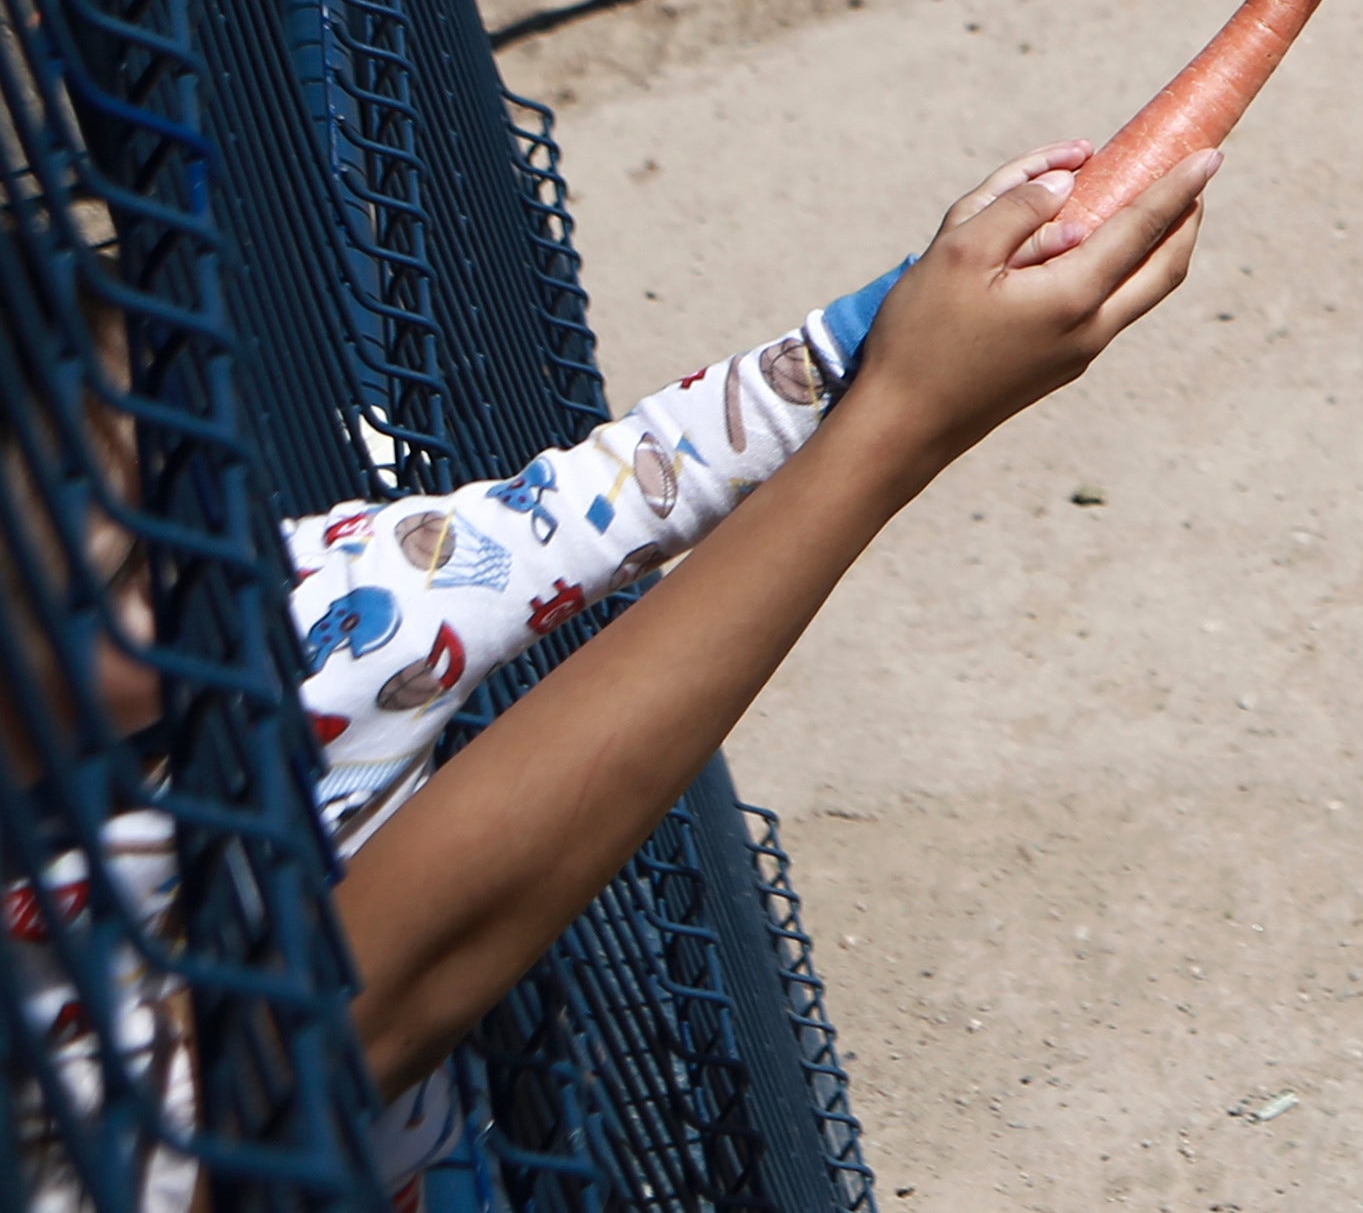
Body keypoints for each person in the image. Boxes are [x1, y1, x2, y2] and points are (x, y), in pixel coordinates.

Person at [15, 140, 1210, 1207]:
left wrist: (904, 312)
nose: (203, 580)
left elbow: (632, 478)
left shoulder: (336, 617)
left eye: (201, 502)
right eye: (116, 584)